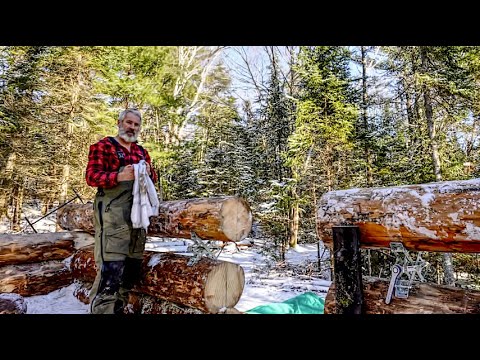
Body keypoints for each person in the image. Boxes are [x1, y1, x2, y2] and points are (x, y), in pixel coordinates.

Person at [85, 108, 157, 314]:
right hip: (113, 216)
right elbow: (91, 177)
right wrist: (117, 177)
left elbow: (152, 183)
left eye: (136, 124)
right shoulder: (103, 146)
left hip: (138, 218)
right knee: (111, 270)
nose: (132, 127)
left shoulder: (142, 152)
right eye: (128, 122)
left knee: (130, 271)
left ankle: (118, 309)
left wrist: (150, 174)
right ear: (119, 123)